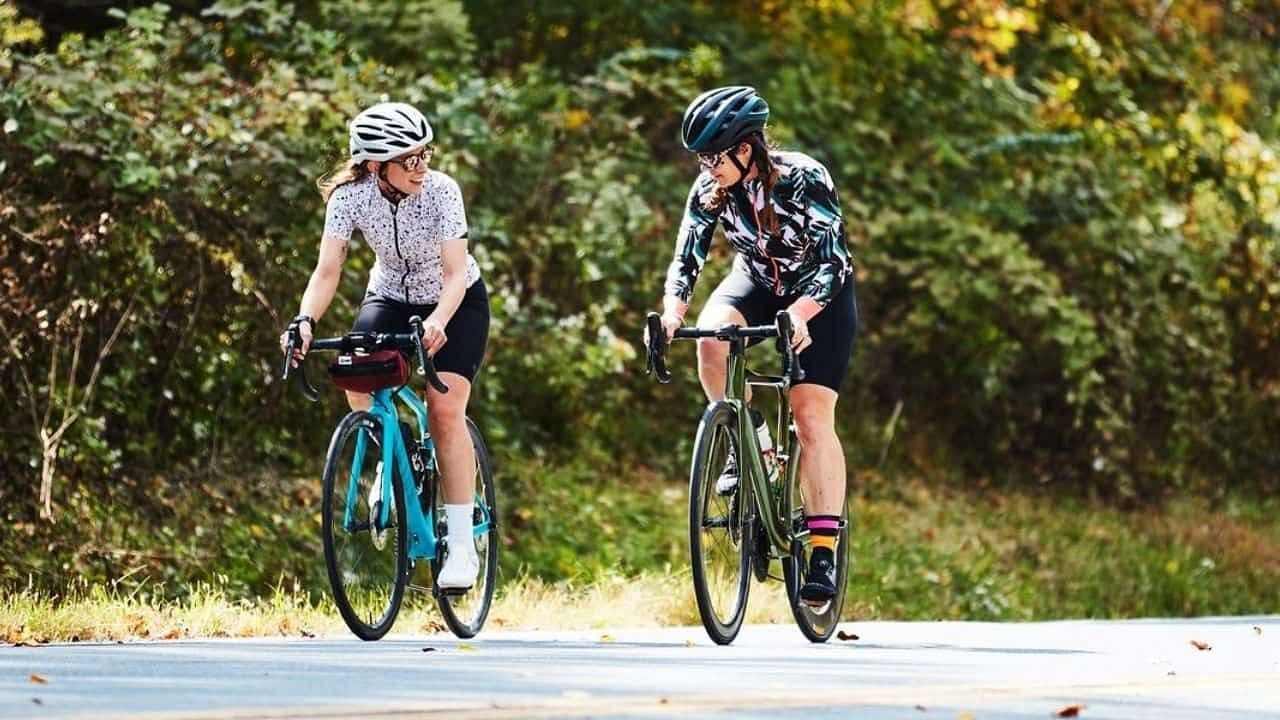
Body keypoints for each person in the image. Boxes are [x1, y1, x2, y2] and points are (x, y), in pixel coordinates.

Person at [657, 86, 859, 604]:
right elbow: (687, 254)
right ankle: (751, 443)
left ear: (746, 149)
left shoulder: (804, 178)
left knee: (810, 416)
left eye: (714, 157)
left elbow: (834, 262)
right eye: (700, 158)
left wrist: (802, 314)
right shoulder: (710, 187)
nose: (706, 167)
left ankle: (822, 550)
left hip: (819, 291)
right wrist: (672, 314)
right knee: (712, 340)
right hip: (756, 282)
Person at [279, 102, 488, 591]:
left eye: (424, 154)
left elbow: (455, 273)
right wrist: (305, 320)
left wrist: (438, 322)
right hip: (390, 295)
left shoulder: (442, 191)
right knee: (356, 379)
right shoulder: (349, 198)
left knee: (443, 411)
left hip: (455, 300)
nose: (421, 167)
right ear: (375, 165)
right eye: (409, 159)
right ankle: (392, 462)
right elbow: (327, 270)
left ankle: (461, 545)